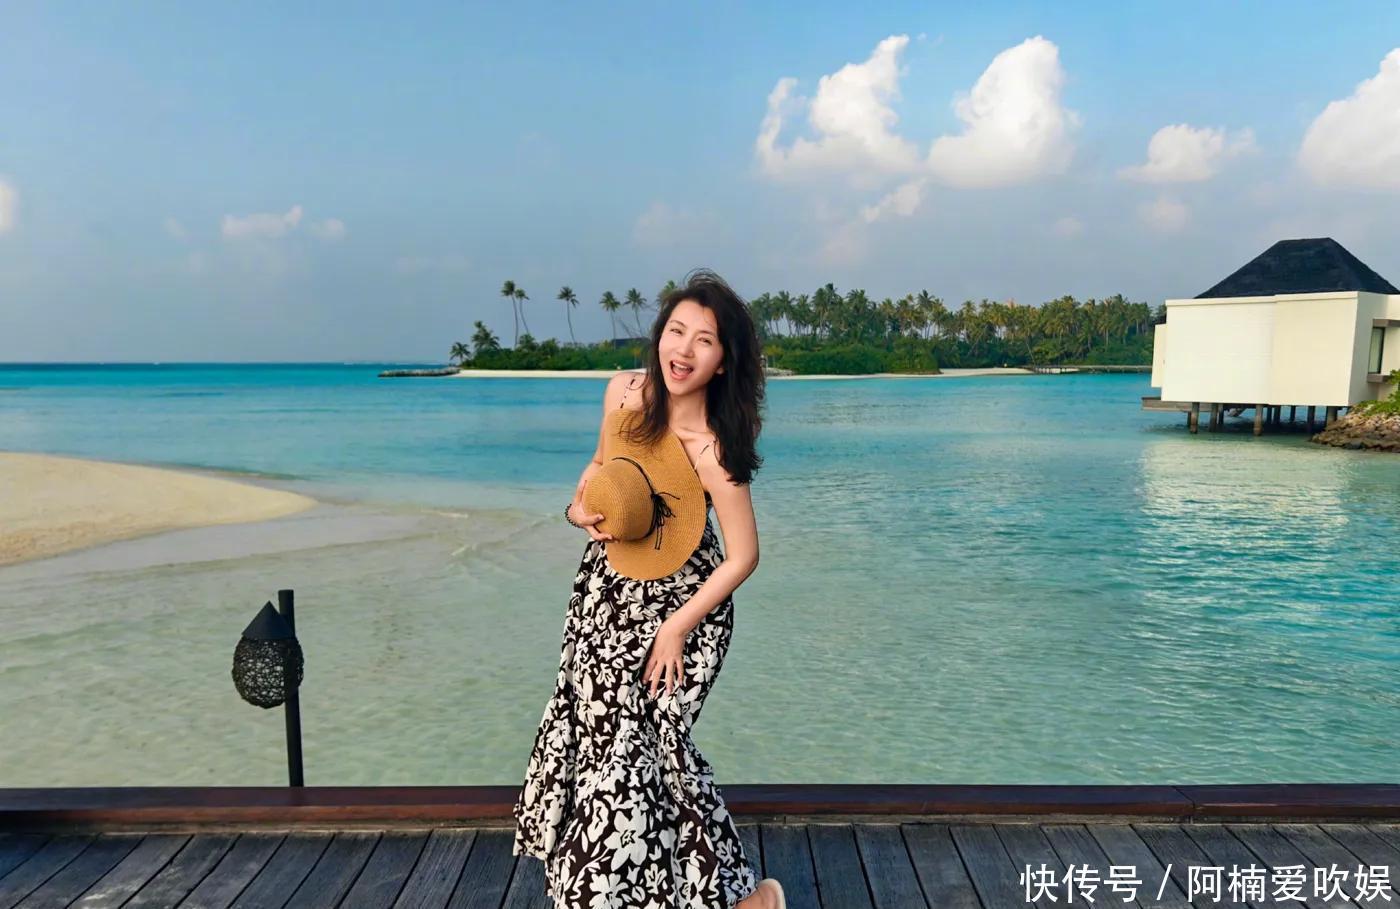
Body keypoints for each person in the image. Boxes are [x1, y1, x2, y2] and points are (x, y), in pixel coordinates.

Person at [512, 269, 785, 908]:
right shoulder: (622, 393)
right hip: (607, 590)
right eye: (676, 331)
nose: (683, 351)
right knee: (598, 744)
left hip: (686, 607)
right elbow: (600, 469)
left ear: (723, 362)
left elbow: (744, 556)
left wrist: (675, 629)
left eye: (704, 341)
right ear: (659, 335)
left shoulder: (714, 451)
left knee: (650, 753)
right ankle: (738, 901)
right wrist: (578, 510)